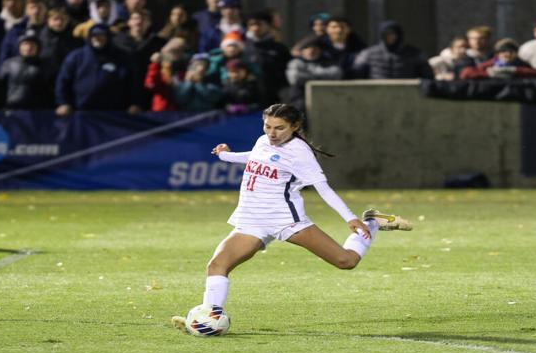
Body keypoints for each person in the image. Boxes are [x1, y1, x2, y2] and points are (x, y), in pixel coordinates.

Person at [173, 103, 413, 332]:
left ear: (295, 126)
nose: (272, 133)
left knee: (346, 261)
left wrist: (350, 218)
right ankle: (209, 318)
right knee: (217, 265)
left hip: (285, 218)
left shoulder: (300, 153)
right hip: (251, 219)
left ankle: (372, 220)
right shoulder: (263, 141)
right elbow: (255, 156)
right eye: (267, 126)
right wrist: (227, 156)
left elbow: (323, 188)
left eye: (279, 128)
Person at [55, 24, 140, 114]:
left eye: (101, 35)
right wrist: (63, 103)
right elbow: (63, 81)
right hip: (81, 111)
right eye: (94, 35)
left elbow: (133, 82)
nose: (97, 38)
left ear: (108, 37)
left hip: (114, 112)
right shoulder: (76, 56)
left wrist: (134, 103)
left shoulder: (122, 57)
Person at [351, 20, 427, 78]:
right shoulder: (368, 54)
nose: (390, 37)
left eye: (393, 33)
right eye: (386, 34)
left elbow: (426, 75)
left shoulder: (414, 53)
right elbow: (356, 74)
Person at [0, 31, 56, 108]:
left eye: (32, 44)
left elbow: (52, 89)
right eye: (25, 44)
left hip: (38, 111)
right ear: (19, 47)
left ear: (38, 48)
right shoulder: (9, 64)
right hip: (11, 108)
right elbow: (0, 88)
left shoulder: (47, 66)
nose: (28, 47)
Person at [460, 38, 536, 79]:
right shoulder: (491, 63)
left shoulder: (520, 63)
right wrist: (489, 74)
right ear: (498, 54)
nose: (507, 54)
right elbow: (465, 73)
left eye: (511, 52)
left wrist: (514, 70)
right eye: (503, 51)